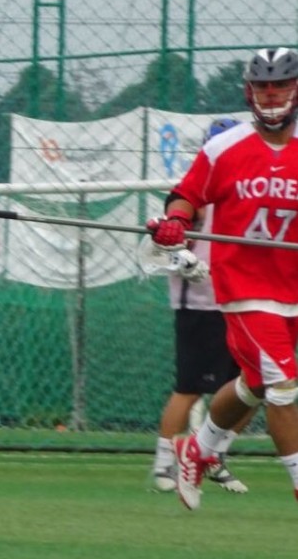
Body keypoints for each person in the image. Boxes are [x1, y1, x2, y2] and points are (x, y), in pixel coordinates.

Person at [147, 47, 298, 510]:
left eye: (280, 87)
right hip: (244, 288)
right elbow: (184, 197)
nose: (270, 96)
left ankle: (200, 449)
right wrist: (175, 222)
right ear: (249, 93)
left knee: (253, 385)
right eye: (262, 87)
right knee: (285, 385)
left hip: (291, 285)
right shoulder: (224, 149)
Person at [149, 117, 254, 494]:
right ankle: (164, 463)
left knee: (253, 388)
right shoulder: (192, 197)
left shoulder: (243, 195)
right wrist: (179, 255)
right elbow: (161, 243)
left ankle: (212, 455)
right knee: (190, 387)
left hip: (238, 302)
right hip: (199, 307)